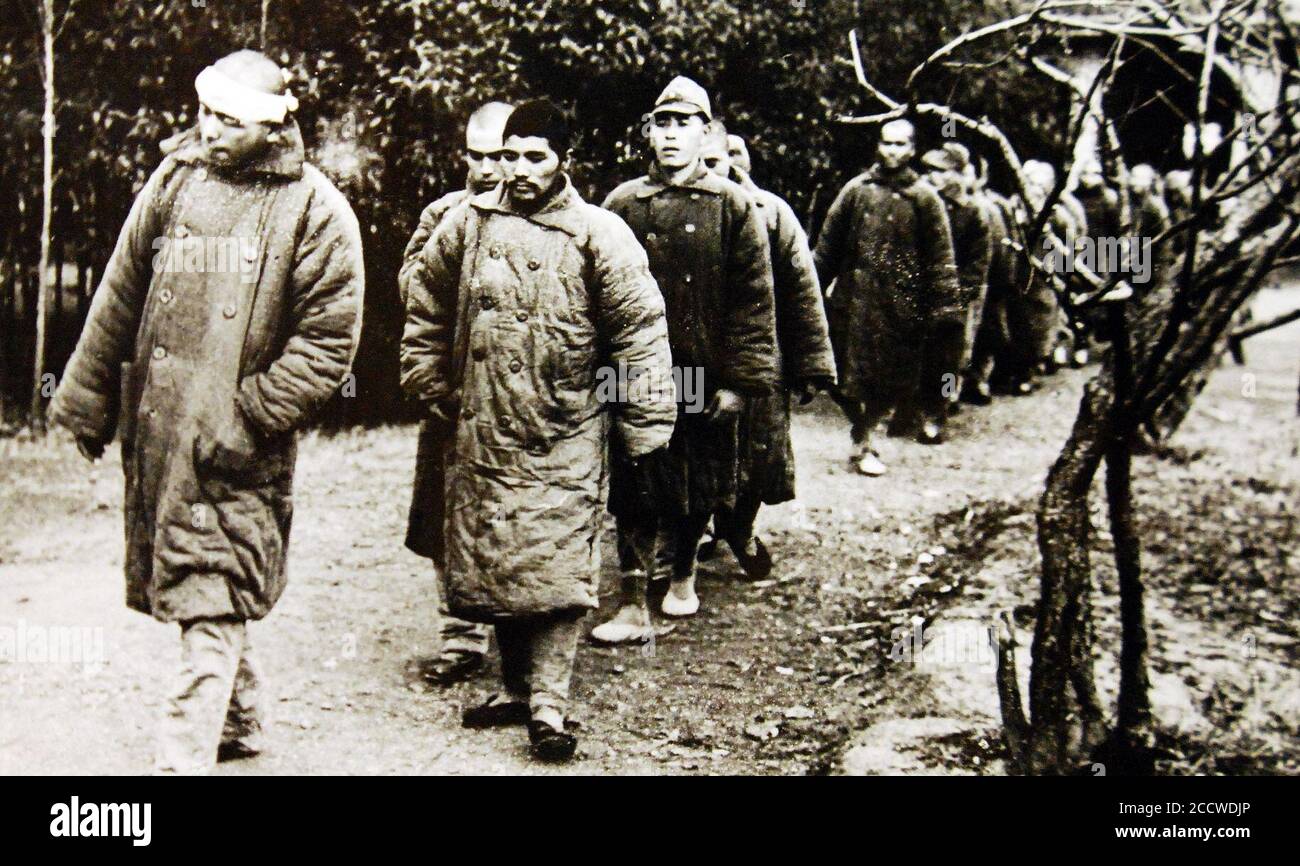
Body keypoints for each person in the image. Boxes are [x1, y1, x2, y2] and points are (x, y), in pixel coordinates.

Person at [48, 50, 365, 774]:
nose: (212, 131)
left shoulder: (316, 212)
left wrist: (248, 415)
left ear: (273, 125)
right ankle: (242, 724)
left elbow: (325, 345)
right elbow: (121, 293)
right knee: (203, 593)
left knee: (213, 588)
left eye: (231, 120)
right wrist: (89, 407)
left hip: (237, 450)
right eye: (207, 113)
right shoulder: (176, 180)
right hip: (166, 431)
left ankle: (178, 763)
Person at [401, 99, 676, 760]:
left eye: (536, 157)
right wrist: (429, 379)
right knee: (497, 554)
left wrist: (643, 425)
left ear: (562, 160)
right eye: (510, 155)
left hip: (565, 426)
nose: (519, 170)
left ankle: (550, 707)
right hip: (484, 426)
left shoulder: (598, 233)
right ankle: (519, 688)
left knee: (554, 566)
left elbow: (639, 332)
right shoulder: (465, 224)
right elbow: (426, 303)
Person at [592, 76, 777, 642]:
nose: (672, 136)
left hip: (701, 369)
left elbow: (754, 298)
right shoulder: (621, 203)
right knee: (632, 477)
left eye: (684, 124)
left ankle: (684, 571)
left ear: (705, 133)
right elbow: (593, 292)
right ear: (650, 133)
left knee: (697, 475)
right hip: (634, 368)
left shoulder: (734, 206)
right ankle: (629, 594)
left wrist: (741, 381)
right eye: (662, 124)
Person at [398, 100, 513, 687]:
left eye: (500, 155)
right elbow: (412, 289)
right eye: (477, 155)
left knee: (512, 513)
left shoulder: (543, 216)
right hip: (452, 395)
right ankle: (460, 636)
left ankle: (515, 634)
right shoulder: (443, 213)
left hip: (517, 398)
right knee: (445, 517)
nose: (489, 168)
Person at [698, 123, 835, 578]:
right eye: (708, 161)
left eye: (722, 159)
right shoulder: (679, 210)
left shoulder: (770, 212)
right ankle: (690, 540)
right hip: (698, 358)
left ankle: (741, 529)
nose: (717, 171)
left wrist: (812, 364)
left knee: (758, 455)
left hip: (761, 357)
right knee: (695, 452)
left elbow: (801, 289)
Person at [813, 118, 960, 476]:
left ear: (912, 150)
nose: (892, 151)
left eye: (900, 145)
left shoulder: (924, 198)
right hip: (854, 301)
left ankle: (867, 438)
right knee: (839, 376)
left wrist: (945, 308)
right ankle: (861, 433)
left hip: (900, 308)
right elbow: (827, 246)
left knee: (889, 378)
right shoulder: (857, 190)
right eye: (887, 143)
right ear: (878, 146)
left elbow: (941, 257)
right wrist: (809, 291)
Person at [917, 143, 991, 441]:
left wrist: (961, 296)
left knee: (949, 362)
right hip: (920, 293)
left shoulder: (972, 212)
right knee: (917, 355)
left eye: (940, 171)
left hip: (954, 299)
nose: (931, 176)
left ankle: (938, 413)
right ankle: (911, 408)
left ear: (957, 174)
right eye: (929, 170)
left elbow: (978, 262)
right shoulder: (920, 203)